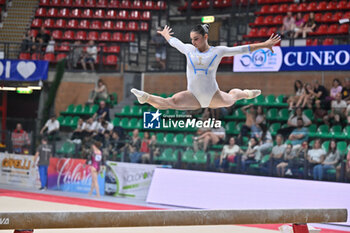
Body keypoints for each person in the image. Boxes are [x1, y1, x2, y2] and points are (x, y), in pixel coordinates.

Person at [131, 24, 280, 110]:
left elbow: (241, 49)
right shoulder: (189, 49)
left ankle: (246, 93)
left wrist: (265, 45)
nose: (193, 42)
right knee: (171, 103)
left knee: (233, 97)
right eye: (192, 39)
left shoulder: (218, 51)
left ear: (205, 37)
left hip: (214, 96)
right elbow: (175, 43)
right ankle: (145, 98)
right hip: (193, 95)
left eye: (196, 39)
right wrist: (166, 36)